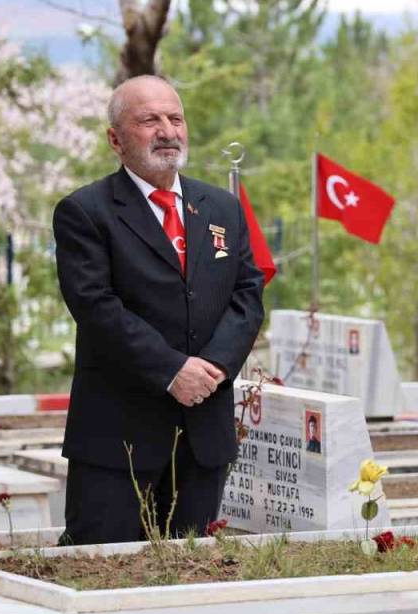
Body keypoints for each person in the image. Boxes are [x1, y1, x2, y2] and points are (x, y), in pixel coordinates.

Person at [53, 75, 265, 545]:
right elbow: (95, 307)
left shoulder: (222, 208)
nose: (167, 130)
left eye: (175, 118)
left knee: (191, 580)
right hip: (119, 441)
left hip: (204, 436)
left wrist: (211, 369)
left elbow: (247, 294)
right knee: (104, 574)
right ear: (115, 139)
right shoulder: (85, 212)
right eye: (149, 120)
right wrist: (173, 371)